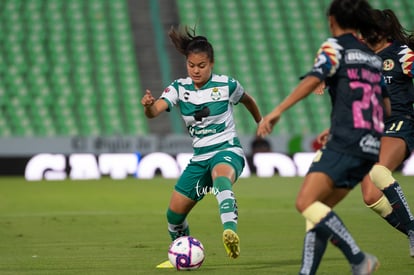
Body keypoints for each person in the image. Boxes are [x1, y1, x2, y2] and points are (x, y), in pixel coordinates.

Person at [257, 0, 386, 274]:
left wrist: (277, 111)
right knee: (320, 211)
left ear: (332, 20)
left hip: (346, 141)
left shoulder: (334, 47)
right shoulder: (372, 56)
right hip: (370, 145)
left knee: (305, 203)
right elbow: (383, 106)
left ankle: (358, 258)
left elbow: (314, 79)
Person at [141, 25, 263, 268]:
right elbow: (155, 112)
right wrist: (148, 105)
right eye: (191, 65)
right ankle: (183, 253)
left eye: (202, 65)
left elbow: (248, 100)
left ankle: (230, 231)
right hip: (200, 158)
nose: (196, 70)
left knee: (221, 179)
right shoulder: (179, 88)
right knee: (174, 216)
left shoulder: (226, 85)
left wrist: (261, 122)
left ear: (212, 63)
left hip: (227, 150)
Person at [359, 8, 414, 256]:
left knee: (379, 172)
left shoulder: (403, 55)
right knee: (370, 196)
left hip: (401, 122)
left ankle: (412, 230)